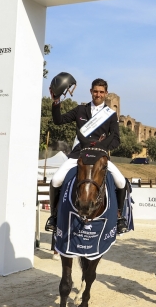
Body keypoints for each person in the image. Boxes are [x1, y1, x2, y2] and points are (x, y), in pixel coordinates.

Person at [45, 77, 128, 235]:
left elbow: (116, 139)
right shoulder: (80, 110)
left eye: (101, 92)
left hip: (100, 155)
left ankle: (119, 216)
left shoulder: (110, 115)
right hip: (79, 153)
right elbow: (58, 120)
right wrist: (56, 101)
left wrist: (102, 147)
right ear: (91, 92)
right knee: (56, 180)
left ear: (106, 93)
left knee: (121, 181)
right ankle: (54, 217)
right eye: (95, 91)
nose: (98, 94)